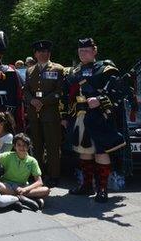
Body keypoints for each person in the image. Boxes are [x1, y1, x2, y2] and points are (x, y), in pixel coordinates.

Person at [66, 38, 126, 203]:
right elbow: (68, 95)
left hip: (99, 117)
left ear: (94, 51)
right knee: (85, 151)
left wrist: (99, 99)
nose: (82, 53)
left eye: (86, 50)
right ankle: (87, 186)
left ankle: (102, 189)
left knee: (101, 151)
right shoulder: (74, 71)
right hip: (81, 115)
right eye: (80, 51)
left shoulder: (105, 68)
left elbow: (118, 92)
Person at [24, 40, 65, 187]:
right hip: (34, 114)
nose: (44, 54)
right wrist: (32, 100)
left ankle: (54, 175)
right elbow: (26, 90)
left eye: (46, 51)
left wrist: (43, 101)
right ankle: (39, 175)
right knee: (37, 145)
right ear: (35, 54)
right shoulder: (30, 70)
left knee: (53, 146)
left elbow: (59, 91)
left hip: (50, 113)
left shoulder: (58, 69)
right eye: (40, 52)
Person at [0, 134, 50, 210]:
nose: (21, 147)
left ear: (28, 147)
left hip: (22, 186)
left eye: (24, 145)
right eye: (19, 145)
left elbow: (39, 182)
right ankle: (29, 199)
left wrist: (25, 189)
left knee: (46, 190)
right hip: (7, 185)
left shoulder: (32, 161)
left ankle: (19, 198)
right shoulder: (8, 155)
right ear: (14, 146)